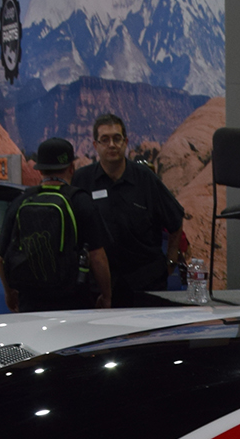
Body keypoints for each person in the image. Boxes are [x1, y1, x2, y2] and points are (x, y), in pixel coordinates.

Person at [73, 113, 186, 306]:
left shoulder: (145, 178)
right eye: (105, 139)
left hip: (146, 283)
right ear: (95, 145)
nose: (112, 145)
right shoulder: (82, 180)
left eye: (117, 138)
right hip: (99, 286)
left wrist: (170, 262)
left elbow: (175, 220)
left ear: (125, 142)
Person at [0, 136, 112, 313]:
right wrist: (106, 296)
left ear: (40, 170)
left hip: (31, 302)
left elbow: (2, 258)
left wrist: (9, 293)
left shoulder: (21, 201)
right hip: (74, 303)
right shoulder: (80, 201)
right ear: (71, 168)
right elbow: (98, 257)